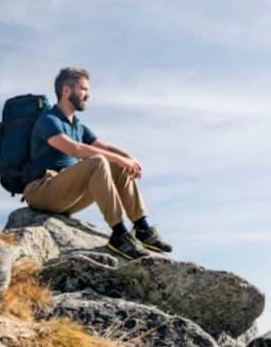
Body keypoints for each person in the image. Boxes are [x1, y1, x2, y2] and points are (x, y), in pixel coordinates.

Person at [22, 67, 172, 260]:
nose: (88, 95)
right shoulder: (48, 120)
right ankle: (119, 234)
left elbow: (105, 146)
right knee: (99, 162)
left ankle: (142, 229)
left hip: (66, 196)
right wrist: (118, 158)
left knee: (117, 166)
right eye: (83, 89)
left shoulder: (78, 126)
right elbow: (74, 149)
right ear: (66, 90)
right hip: (42, 191)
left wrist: (129, 158)